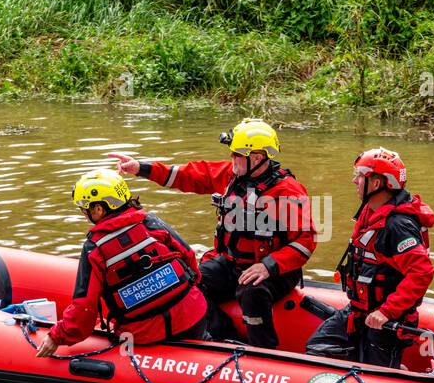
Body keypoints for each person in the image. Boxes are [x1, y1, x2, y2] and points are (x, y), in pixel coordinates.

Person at [109, 119, 316, 349]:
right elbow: (189, 175)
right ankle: (225, 338)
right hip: (232, 264)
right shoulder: (231, 175)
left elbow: (305, 242)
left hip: (274, 271)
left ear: (256, 157)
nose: (231, 158)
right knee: (189, 280)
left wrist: (267, 266)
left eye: (236, 154)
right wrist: (141, 168)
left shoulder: (287, 192)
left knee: (252, 291)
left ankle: (265, 351)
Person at [35, 169, 207, 358]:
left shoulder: (95, 249)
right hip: (194, 317)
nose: (84, 214)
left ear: (98, 209)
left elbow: (84, 309)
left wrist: (56, 337)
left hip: (146, 336)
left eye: (85, 209)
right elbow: (189, 258)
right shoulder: (150, 222)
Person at [306, 148, 434, 368]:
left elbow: (422, 272)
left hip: (386, 319)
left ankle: (398, 374)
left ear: (376, 184)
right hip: (360, 311)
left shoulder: (398, 226)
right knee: (319, 347)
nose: (354, 180)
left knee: (378, 377)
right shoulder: (371, 210)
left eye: (360, 175)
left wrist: (387, 311)